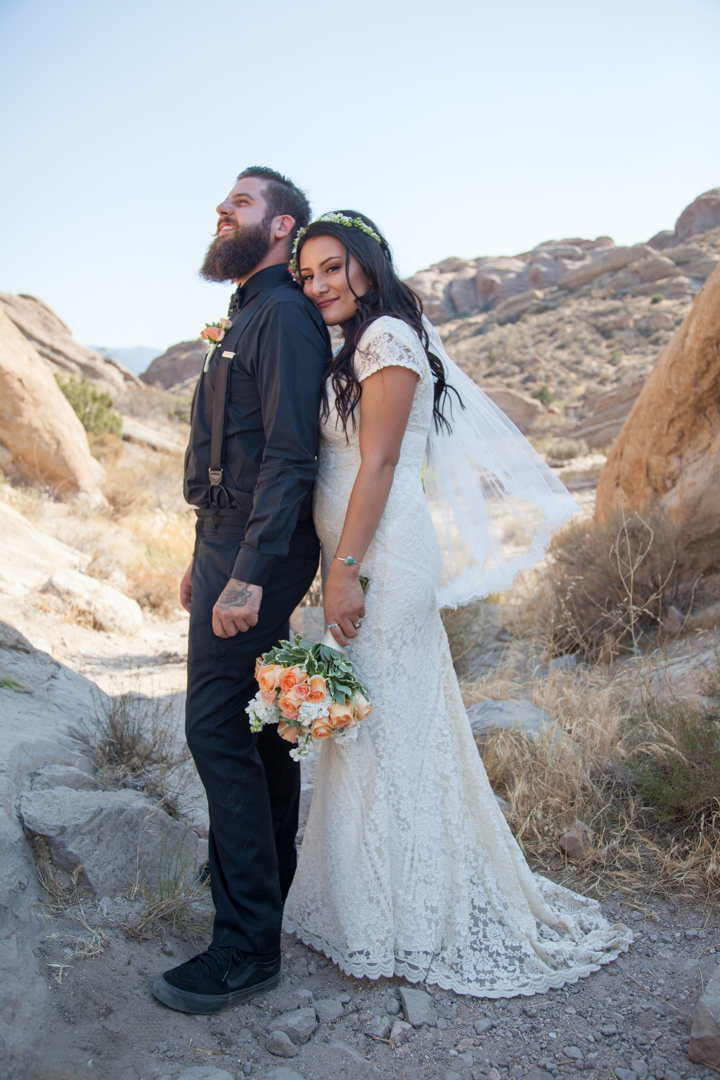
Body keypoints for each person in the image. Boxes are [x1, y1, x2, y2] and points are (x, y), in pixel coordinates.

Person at [283, 211, 632, 997]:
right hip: (352, 554)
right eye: (307, 275)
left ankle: (406, 916)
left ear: (367, 266)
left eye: (333, 268)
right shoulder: (349, 346)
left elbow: (375, 464)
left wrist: (343, 571)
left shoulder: (389, 341)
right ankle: (369, 903)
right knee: (370, 726)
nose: (319, 285)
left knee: (385, 724)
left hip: (384, 557)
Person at [152, 168, 331, 1014]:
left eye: (242, 202)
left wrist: (250, 574)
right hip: (227, 544)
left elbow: (293, 457)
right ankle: (262, 886)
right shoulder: (250, 313)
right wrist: (206, 554)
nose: (222, 210)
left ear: (281, 226)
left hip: (257, 552)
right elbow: (236, 450)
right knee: (259, 736)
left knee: (215, 729)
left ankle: (246, 945)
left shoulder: (287, 316)